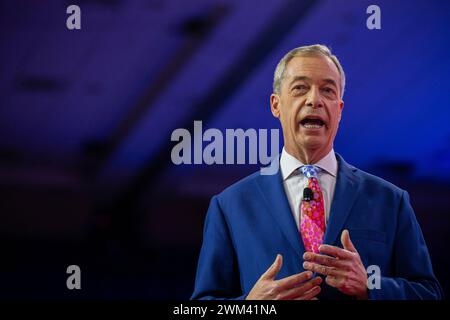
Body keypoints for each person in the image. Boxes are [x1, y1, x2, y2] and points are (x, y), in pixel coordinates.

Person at [191, 44, 443, 300]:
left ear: (340, 109)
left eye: (327, 90)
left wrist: (370, 287)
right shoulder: (229, 206)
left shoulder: (391, 200)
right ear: (276, 105)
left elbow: (429, 294)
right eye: (300, 88)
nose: (314, 99)